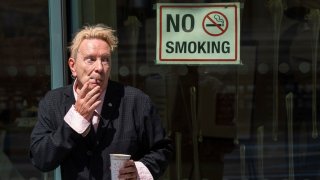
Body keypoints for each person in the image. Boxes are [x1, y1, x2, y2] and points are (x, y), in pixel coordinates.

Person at [29, 24, 173, 180]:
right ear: (73, 66)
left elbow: (163, 149)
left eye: (105, 60)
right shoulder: (53, 102)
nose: (99, 67)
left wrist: (140, 170)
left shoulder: (136, 101)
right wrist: (75, 120)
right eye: (91, 59)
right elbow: (40, 159)